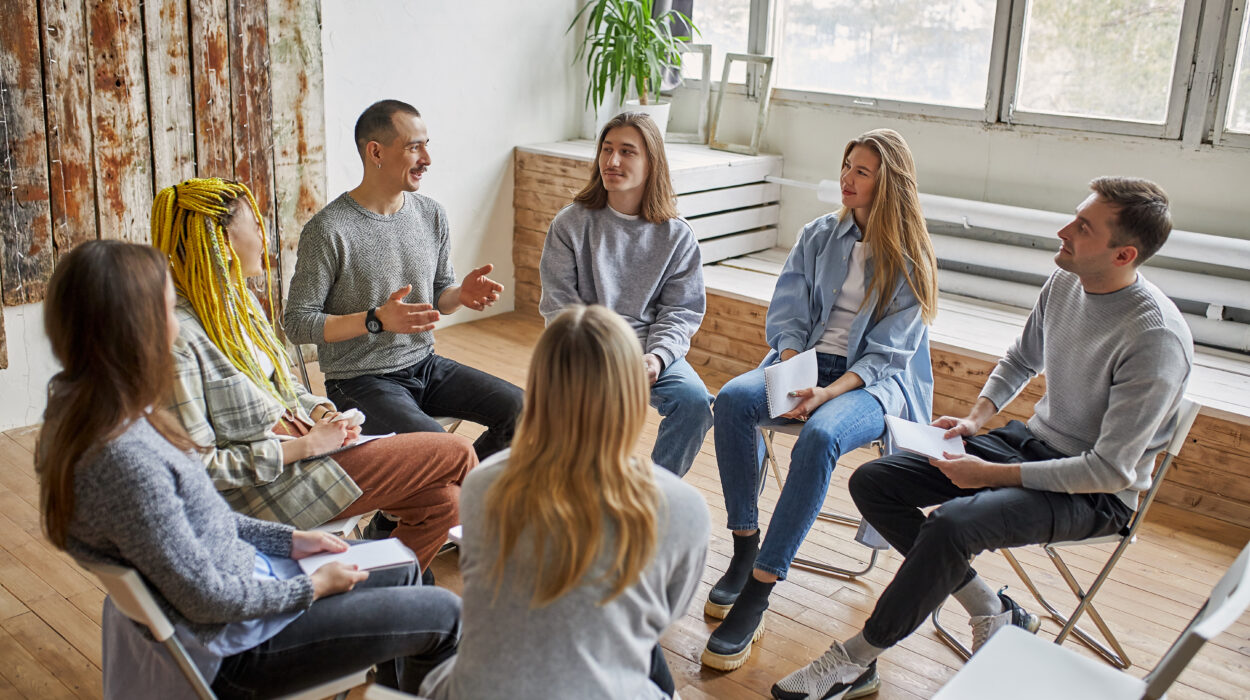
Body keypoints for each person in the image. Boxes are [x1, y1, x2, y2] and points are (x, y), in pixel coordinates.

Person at [771, 177, 1193, 699]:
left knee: (950, 526)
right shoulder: (1066, 281)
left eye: (1083, 227)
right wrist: (976, 419)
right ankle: (989, 608)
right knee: (875, 481)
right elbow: (1021, 358)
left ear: (1124, 253)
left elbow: (1109, 470)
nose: (1063, 231)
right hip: (1034, 444)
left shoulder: (1155, 339)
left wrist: (990, 474)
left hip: (1097, 493)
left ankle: (857, 660)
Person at [36, 240, 461, 698]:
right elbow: (208, 599)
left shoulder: (89, 412)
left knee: (403, 571)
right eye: (165, 314)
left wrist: (290, 540)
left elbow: (201, 521)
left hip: (247, 594)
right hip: (238, 646)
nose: (176, 333)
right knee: (446, 613)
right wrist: (313, 588)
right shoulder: (124, 459)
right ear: (132, 330)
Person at [701, 129, 939, 671]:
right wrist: (790, 368)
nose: (846, 179)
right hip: (805, 363)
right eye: (846, 166)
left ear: (889, 184)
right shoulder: (817, 235)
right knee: (734, 401)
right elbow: (786, 313)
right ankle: (744, 546)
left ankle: (760, 588)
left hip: (871, 384)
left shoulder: (912, 256)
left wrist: (827, 393)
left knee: (822, 435)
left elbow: (887, 355)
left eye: (862, 171)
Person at [152, 178, 475, 573]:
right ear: (221, 240)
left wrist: (322, 413)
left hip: (311, 450)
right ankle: (506, 562)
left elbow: (285, 388)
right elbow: (197, 469)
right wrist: (303, 448)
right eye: (254, 226)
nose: (263, 236)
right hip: (274, 486)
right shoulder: (178, 339)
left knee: (444, 505)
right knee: (455, 452)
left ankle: (380, 606)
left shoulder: (236, 305)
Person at [420, 305, 710, 700]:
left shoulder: (485, 482)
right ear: (632, 394)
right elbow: (661, 620)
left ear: (538, 389)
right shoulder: (684, 507)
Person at [284, 99, 523, 460]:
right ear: (376, 151)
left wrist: (461, 294)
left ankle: (448, 498)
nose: (426, 159)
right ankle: (435, 502)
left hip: (425, 365)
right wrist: (375, 319)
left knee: (525, 411)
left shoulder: (431, 214)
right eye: (414, 147)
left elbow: (440, 292)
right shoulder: (328, 230)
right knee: (444, 449)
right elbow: (298, 323)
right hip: (359, 382)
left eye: (427, 145)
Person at [539, 111, 713, 477]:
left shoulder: (677, 236)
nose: (612, 161)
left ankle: (656, 496)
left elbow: (680, 312)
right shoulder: (571, 224)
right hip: (587, 352)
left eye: (627, 152)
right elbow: (559, 309)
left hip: (649, 352)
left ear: (652, 163)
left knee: (695, 402)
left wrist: (658, 359)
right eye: (606, 149)